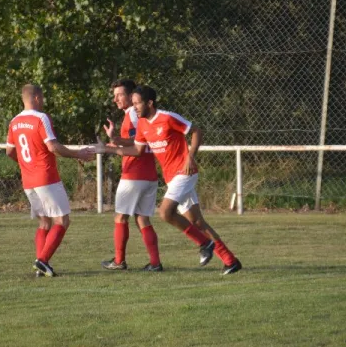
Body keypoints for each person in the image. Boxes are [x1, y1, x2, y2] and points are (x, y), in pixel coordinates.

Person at [91, 85, 242, 275]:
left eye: (138, 103)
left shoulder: (167, 117)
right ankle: (230, 260)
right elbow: (137, 151)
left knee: (165, 212)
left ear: (150, 103)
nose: (135, 107)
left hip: (185, 172)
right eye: (134, 103)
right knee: (196, 222)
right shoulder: (143, 124)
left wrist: (191, 156)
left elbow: (196, 131)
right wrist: (109, 147)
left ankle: (205, 243)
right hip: (171, 177)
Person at [6, 84, 94, 277]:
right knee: (62, 220)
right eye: (42, 97)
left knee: (44, 222)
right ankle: (43, 260)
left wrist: (26, 165)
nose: (43, 101)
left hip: (28, 179)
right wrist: (77, 153)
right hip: (46, 176)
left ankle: (41, 265)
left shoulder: (14, 121)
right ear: (37, 98)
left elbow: (10, 151)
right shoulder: (41, 118)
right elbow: (53, 147)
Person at [100, 79, 163, 272]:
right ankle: (155, 262)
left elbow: (138, 146)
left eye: (119, 95)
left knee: (120, 217)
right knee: (142, 218)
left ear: (130, 96)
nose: (115, 99)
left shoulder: (133, 115)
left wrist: (114, 144)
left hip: (134, 174)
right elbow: (138, 141)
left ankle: (119, 261)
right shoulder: (137, 115)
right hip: (149, 174)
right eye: (114, 95)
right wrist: (116, 141)